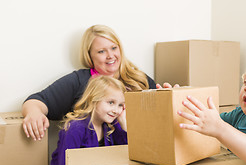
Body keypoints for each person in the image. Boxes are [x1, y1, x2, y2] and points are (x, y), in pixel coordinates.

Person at [22, 24, 157, 141]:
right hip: (93, 160)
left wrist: (172, 95)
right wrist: (34, 113)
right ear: (89, 56)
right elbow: (36, 101)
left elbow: (162, 113)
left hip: (138, 152)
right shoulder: (79, 81)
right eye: (101, 51)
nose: (110, 55)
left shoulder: (138, 79)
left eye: (114, 48)